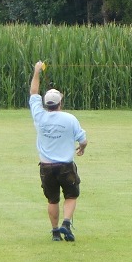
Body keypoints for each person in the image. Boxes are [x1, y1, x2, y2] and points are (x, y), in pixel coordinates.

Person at [29, 61, 88, 241]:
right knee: (71, 195)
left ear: (46, 104)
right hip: (65, 166)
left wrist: (36, 71)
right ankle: (66, 224)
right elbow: (83, 140)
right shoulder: (70, 119)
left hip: (46, 167)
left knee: (52, 200)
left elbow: (33, 92)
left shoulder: (39, 116)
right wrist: (82, 148)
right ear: (60, 103)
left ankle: (55, 232)